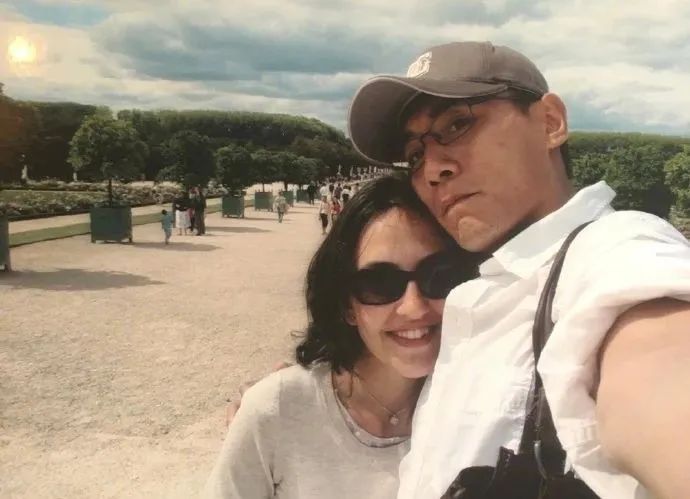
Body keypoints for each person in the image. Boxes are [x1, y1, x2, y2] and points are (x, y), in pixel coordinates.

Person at [347, 41, 690, 499]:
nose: (431, 170)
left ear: (550, 122)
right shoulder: (483, 281)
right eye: (413, 155)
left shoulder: (618, 251)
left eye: (457, 124)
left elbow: (660, 373)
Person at [204, 175, 481, 499]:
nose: (413, 306)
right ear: (346, 305)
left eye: (439, 275)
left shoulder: (485, 406)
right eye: (380, 283)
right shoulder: (278, 411)